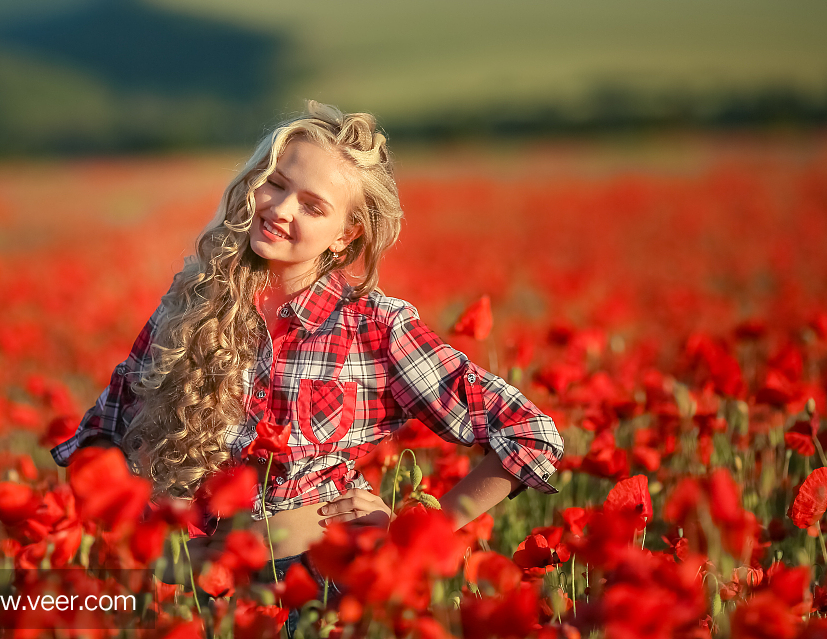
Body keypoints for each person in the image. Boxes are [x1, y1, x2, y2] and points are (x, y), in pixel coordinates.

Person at [51, 102, 563, 633]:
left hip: (320, 602)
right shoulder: (190, 306)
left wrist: (420, 532)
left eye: (313, 206)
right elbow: (99, 434)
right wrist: (162, 549)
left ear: (347, 236)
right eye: (275, 183)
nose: (281, 208)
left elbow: (530, 433)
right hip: (197, 603)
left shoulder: (375, 329)